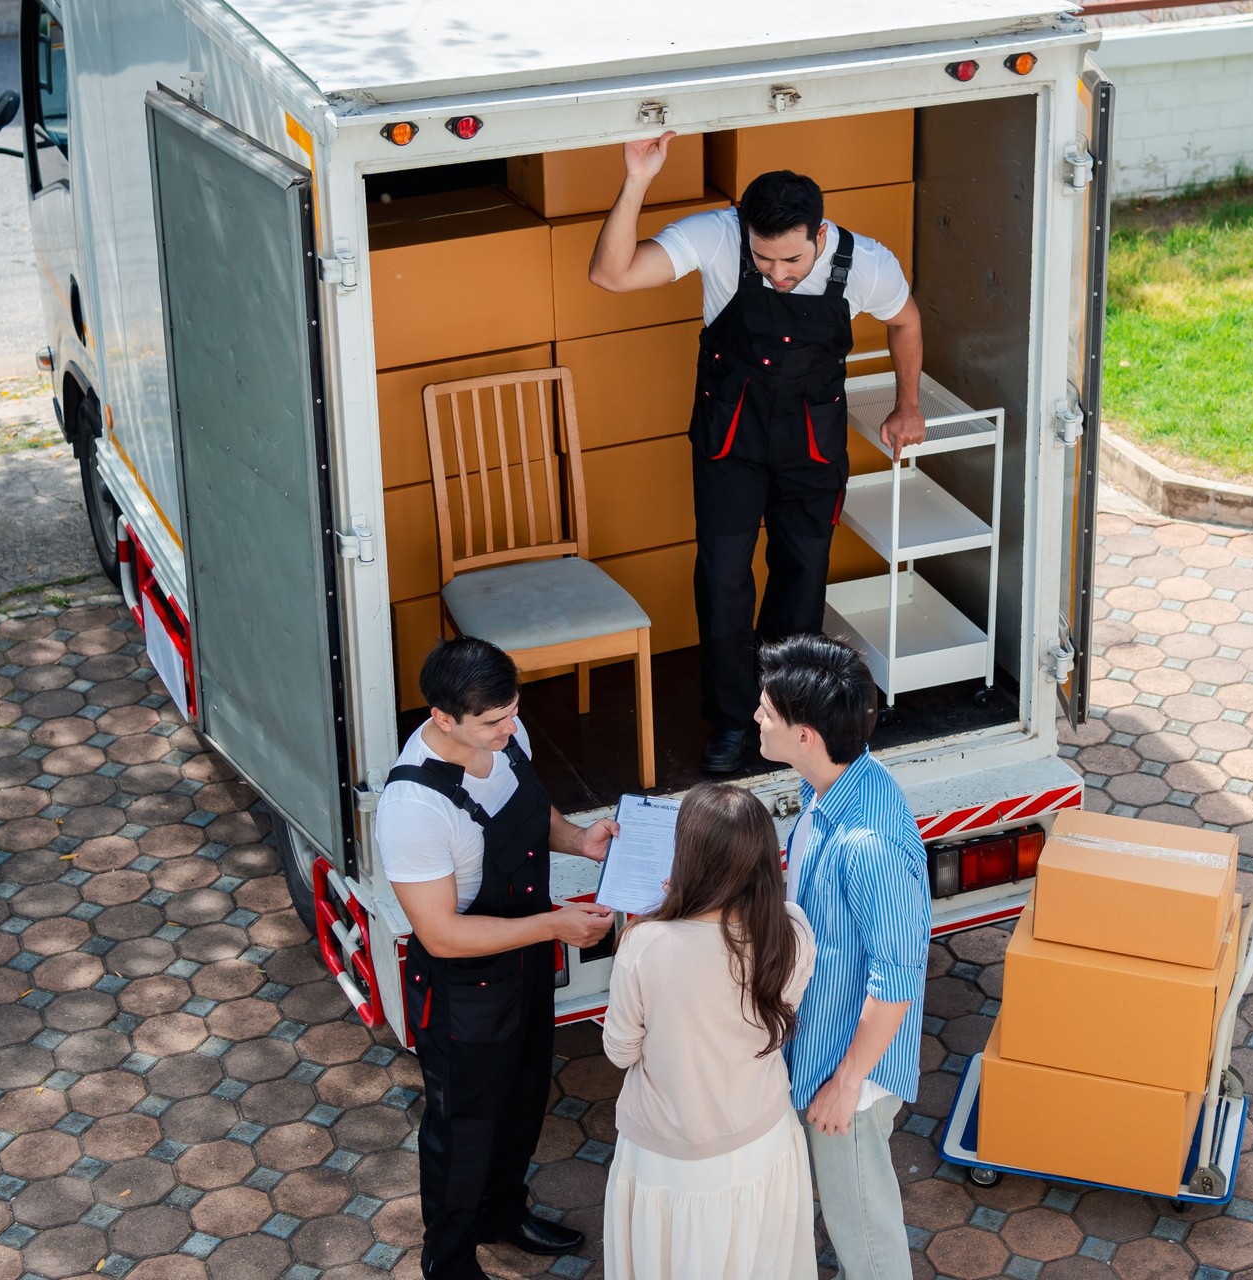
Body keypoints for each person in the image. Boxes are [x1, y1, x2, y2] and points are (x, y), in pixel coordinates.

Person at [589, 133, 928, 775]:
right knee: (722, 581)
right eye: (764, 259)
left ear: (820, 232)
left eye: (792, 261)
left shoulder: (867, 263)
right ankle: (729, 719)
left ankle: (785, 717)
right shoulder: (718, 235)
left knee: (800, 581)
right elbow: (611, 274)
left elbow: (906, 320)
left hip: (810, 442)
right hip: (730, 438)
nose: (777, 273)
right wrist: (637, 179)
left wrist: (907, 405)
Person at [376, 637, 618, 1280]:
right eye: (494, 721)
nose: (511, 729)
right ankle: (448, 1259)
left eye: (512, 712)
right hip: (465, 992)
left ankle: (503, 1214)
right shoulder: (413, 807)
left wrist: (580, 841)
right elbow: (442, 934)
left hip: (527, 961)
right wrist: (556, 925)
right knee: (464, 1131)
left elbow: (531, 815)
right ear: (442, 718)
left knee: (523, 1099)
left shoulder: (503, 736)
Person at [755, 634, 929, 1278]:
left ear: (805, 735)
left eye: (767, 712)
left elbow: (898, 974)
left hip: (847, 1075)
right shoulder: (839, 784)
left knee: (865, 1233)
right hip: (823, 1052)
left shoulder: (867, 842)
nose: (756, 720)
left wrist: (848, 1083)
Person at [600, 783, 819, 1279]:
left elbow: (619, 1051)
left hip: (669, 1158)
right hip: (762, 1140)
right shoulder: (792, 930)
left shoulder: (646, 944)